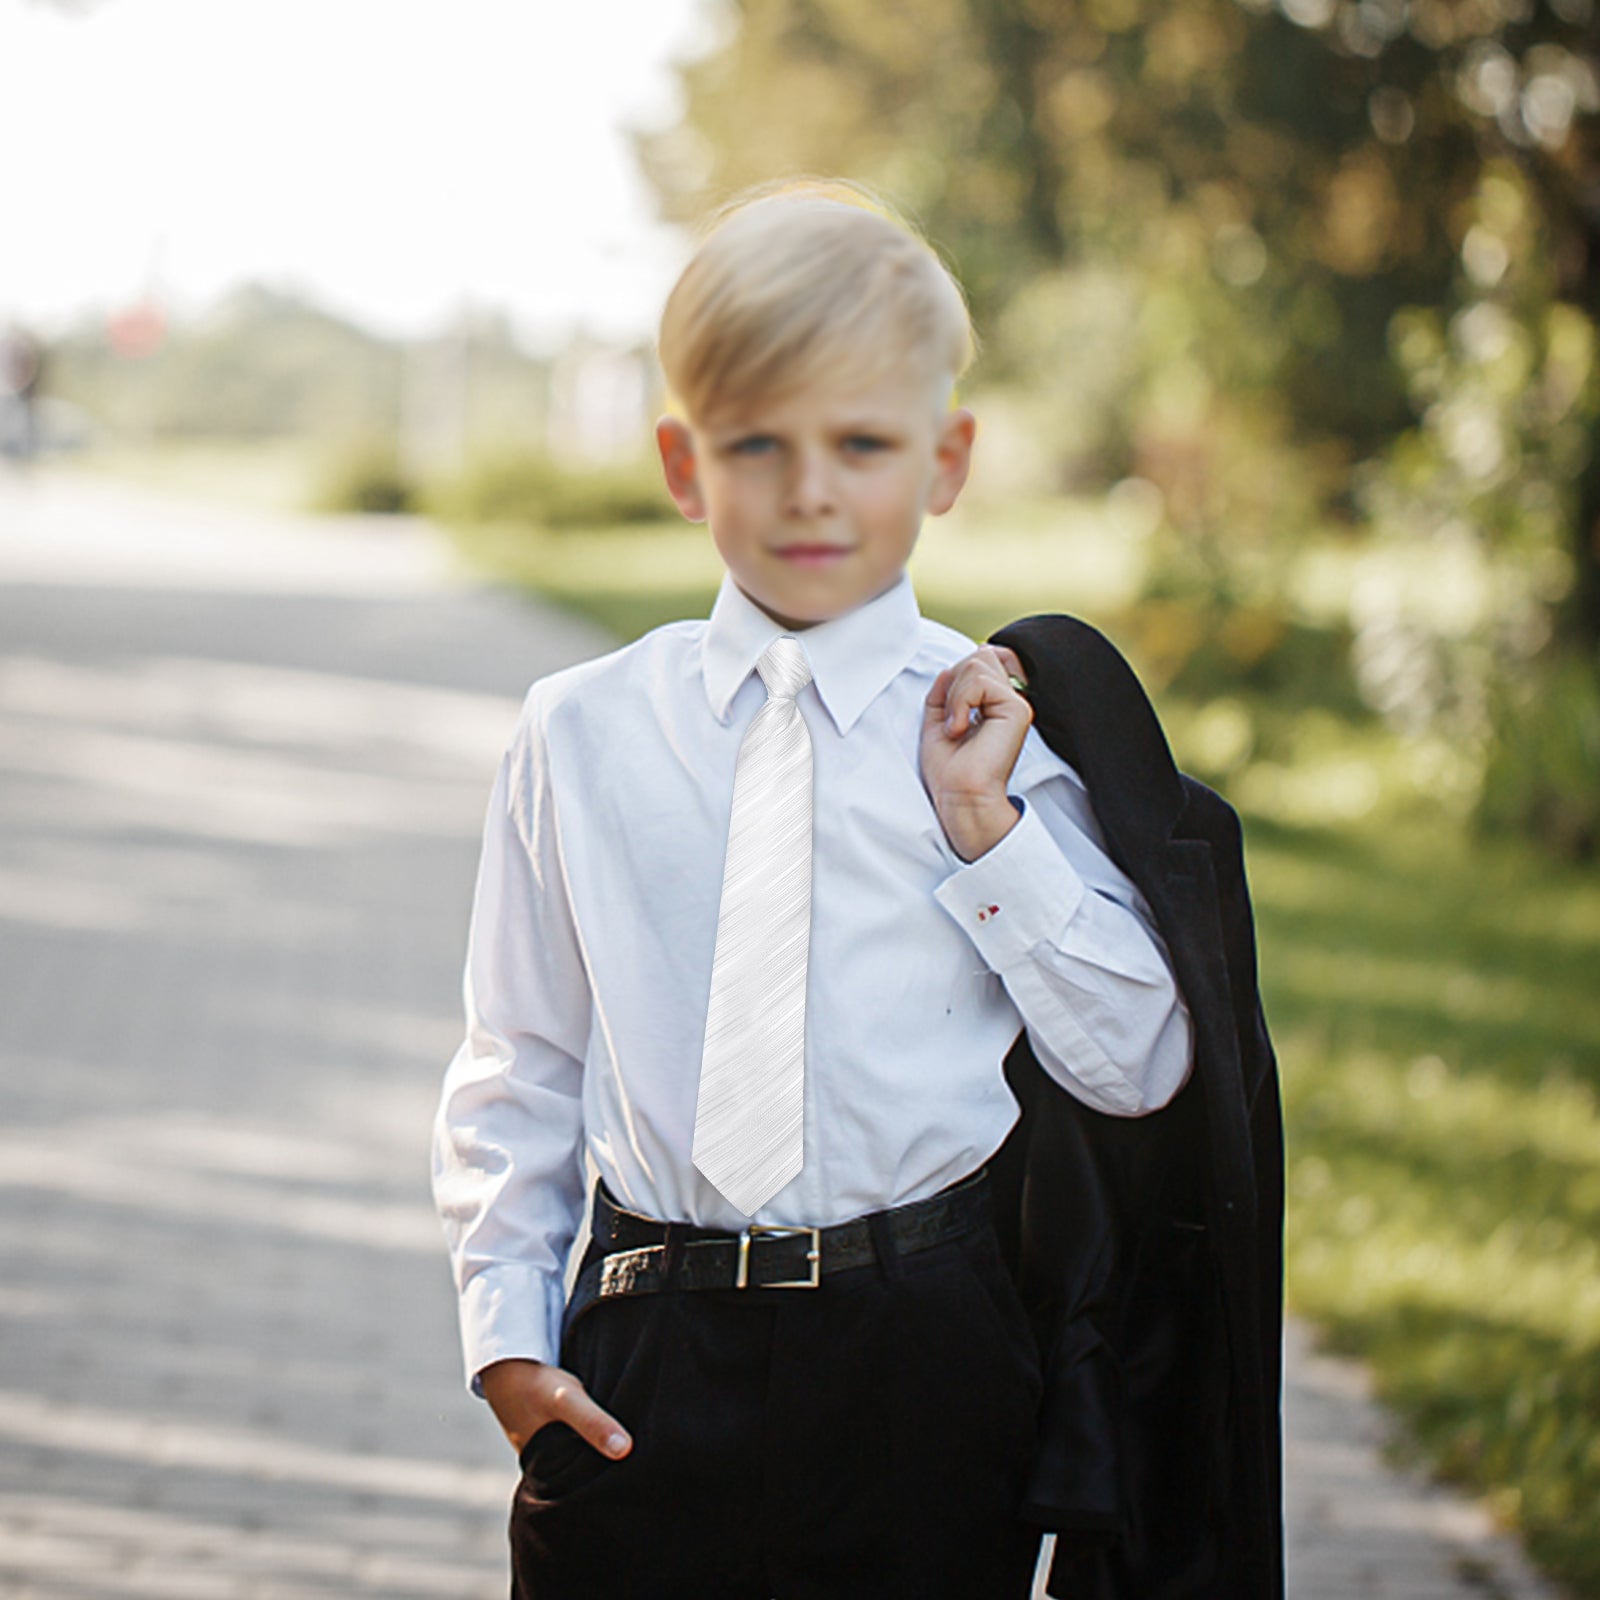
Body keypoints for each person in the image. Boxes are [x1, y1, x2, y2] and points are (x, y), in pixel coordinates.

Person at [430, 175, 1196, 1600]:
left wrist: (987, 834)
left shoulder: (996, 732)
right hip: (647, 1353)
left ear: (945, 459)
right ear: (683, 464)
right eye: (757, 443)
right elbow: (520, 1057)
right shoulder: (579, 732)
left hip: (924, 1360)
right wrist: (509, 1344)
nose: (811, 490)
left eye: (862, 442)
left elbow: (1141, 1065)